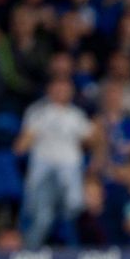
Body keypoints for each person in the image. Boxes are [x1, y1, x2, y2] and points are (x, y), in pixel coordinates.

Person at [13, 77, 96, 248]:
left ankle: (73, 257)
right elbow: (21, 146)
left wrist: (97, 136)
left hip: (69, 171)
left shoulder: (77, 115)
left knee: (73, 210)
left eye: (64, 89)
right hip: (44, 171)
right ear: (49, 90)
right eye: (57, 88)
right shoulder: (38, 111)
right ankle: (28, 257)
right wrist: (25, 142)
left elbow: (92, 141)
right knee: (43, 216)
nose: (60, 93)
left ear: (71, 92)